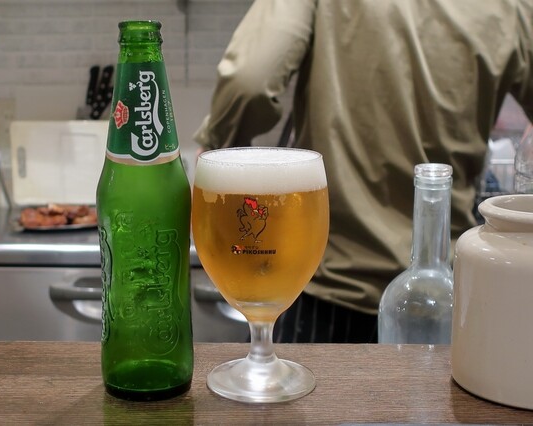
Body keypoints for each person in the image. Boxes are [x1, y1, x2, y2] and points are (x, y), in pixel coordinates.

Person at [193, 0, 533, 343]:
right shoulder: (511, 6)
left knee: (289, 377)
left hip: (328, 289)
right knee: (434, 383)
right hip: (441, 295)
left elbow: (249, 80)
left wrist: (219, 144)